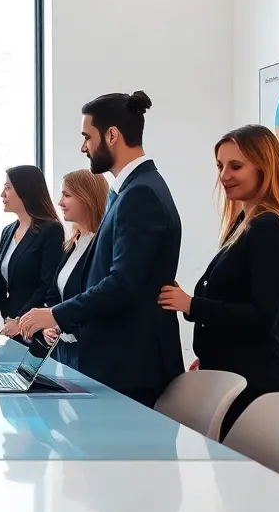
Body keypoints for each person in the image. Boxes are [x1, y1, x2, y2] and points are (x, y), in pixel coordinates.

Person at [20, 91, 183, 408]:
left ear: (112, 135)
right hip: (116, 361)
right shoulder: (128, 190)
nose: (83, 147)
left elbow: (123, 284)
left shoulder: (141, 194)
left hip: (132, 366)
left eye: (87, 137)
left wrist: (54, 314)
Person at [157, 124, 279, 439]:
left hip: (256, 385)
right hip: (233, 377)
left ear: (265, 168)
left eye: (236, 166)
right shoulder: (244, 223)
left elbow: (261, 315)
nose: (224, 175)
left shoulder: (269, 228)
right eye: (220, 166)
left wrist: (192, 305)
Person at [0, 165, 64, 339]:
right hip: (10, 327)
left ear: (24, 190)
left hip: (35, 330)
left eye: (7, 188)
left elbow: (48, 286)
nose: (2, 195)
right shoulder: (8, 231)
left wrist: (20, 321)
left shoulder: (51, 230)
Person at [42, 169, 110, 368]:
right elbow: (55, 294)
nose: (60, 203)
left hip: (90, 351)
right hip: (64, 349)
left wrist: (60, 319)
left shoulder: (102, 244)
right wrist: (51, 323)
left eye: (67, 195)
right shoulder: (72, 243)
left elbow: (98, 299)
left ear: (87, 197)